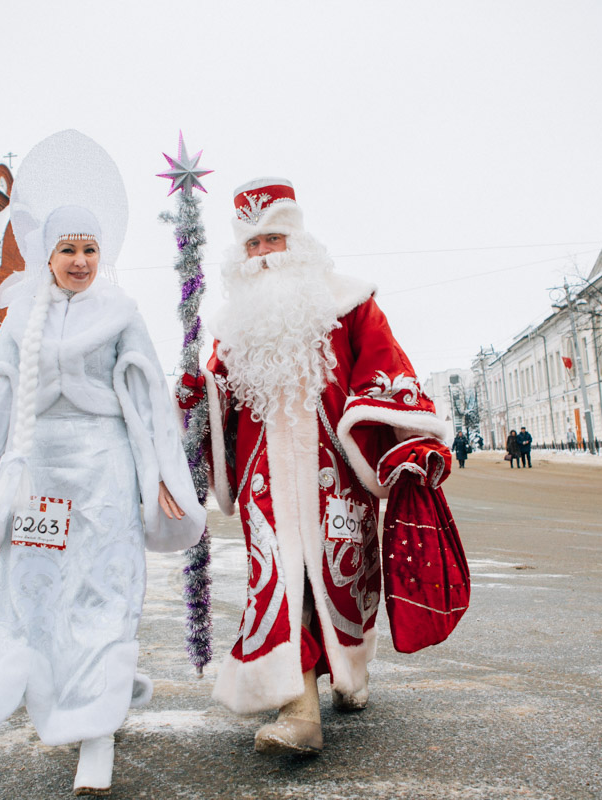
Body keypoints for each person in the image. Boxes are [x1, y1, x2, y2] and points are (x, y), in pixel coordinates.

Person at [0, 130, 205, 795]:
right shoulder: (20, 319)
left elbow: (147, 401)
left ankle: (96, 739)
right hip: (41, 483)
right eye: (67, 250)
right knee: (41, 596)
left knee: (104, 596)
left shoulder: (120, 314)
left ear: (100, 253)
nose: (79, 261)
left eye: (89, 250)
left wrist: (166, 480)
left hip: (105, 479)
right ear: (47, 256)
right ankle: (71, 705)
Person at [191, 178, 453, 756]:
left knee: (339, 580)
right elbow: (218, 396)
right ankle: (297, 707)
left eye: (274, 239)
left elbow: (386, 371)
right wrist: (198, 390)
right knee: (282, 582)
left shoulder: (350, 302)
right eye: (252, 245)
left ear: (299, 240)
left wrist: (410, 445)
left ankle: (348, 668)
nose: (263, 255)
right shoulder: (233, 327)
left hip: (335, 475)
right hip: (266, 483)